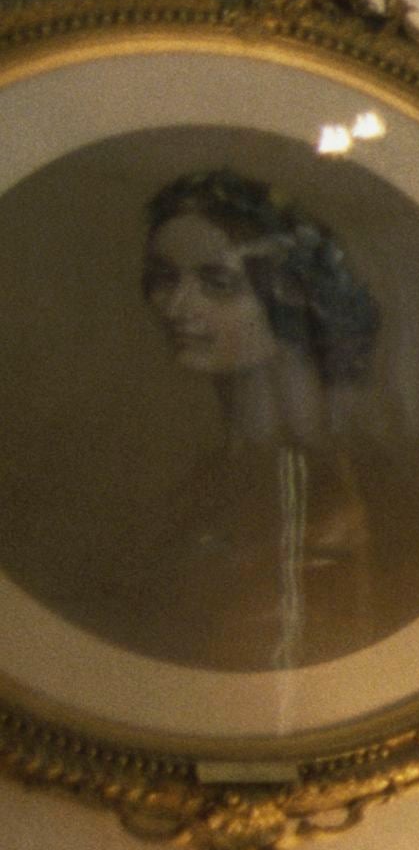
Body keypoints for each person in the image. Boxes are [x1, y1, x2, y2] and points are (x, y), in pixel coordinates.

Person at [120, 169, 383, 672]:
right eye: (164, 279)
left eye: (217, 283)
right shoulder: (204, 479)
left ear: (290, 291)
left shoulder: (346, 477)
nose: (176, 307)